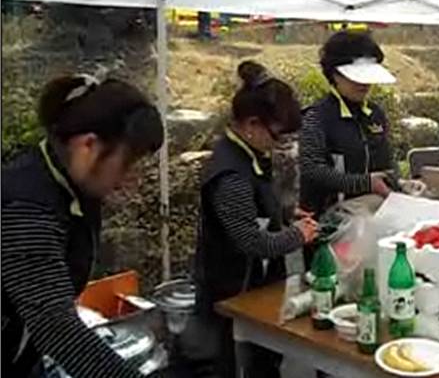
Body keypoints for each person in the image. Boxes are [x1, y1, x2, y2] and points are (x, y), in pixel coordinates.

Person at [2, 74, 164, 378]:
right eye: (128, 164)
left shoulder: (71, 187)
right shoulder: (26, 210)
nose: (131, 179)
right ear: (88, 145)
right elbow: (58, 330)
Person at [193, 61, 318, 377]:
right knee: (236, 364)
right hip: (232, 291)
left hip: (257, 283)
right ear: (252, 124)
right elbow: (250, 240)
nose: (280, 144)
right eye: (277, 135)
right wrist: (297, 235)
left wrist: (284, 213)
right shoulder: (230, 174)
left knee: (266, 361)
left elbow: (258, 202)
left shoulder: (251, 154)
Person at [300, 31, 400, 217]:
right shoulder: (317, 117)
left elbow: (388, 162)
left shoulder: (375, 114)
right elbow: (312, 170)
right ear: (335, 75)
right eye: (356, 77)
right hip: (330, 218)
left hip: (377, 210)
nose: (364, 84)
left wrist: (399, 182)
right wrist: (364, 183)